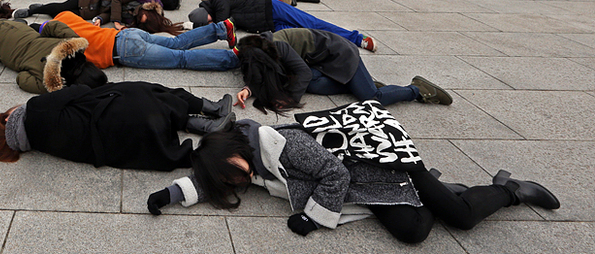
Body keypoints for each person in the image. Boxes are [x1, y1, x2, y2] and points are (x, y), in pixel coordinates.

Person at [146, 108, 559, 244]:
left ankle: (509, 190)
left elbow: (335, 173)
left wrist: (310, 217)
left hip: (385, 166)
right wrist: (168, 195)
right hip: (365, 183)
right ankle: (433, 188)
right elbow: (211, 180)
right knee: (413, 232)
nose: (233, 182)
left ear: (235, 153)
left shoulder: (283, 146)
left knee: (460, 217)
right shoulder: (245, 163)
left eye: (230, 173)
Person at [0, 82, 238, 170]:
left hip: (125, 140)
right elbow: (79, 90)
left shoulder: (39, 145)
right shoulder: (34, 108)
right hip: (124, 113)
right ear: (8, 120)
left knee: (147, 109)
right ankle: (210, 111)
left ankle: (208, 128)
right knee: (144, 90)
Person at [0, 11, 239, 93]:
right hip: (125, 33)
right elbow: (58, 24)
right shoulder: (66, 20)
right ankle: (218, 29)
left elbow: (27, 80)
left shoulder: (61, 59)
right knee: (176, 44)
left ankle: (231, 59)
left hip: (123, 51)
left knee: (180, 60)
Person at [232, 29, 450, 112]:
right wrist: (248, 91)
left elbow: (303, 74)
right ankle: (361, 82)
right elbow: (260, 73)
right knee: (315, 86)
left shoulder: (278, 46)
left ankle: (417, 90)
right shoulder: (257, 50)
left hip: (340, 55)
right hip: (319, 62)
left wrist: (290, 99)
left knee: (370, 97)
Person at [188, 0, 375, 51]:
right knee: (310, 37)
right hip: (269, 25)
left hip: (272, 7)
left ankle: (357, 38)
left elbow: (223, 22)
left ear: (206, 12)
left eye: (208, 20)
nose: (211, 21)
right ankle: (340, 43)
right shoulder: (215, 13)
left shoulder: (219, 1)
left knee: (312, 23)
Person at [13, 0, 169, 30]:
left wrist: (101, 18)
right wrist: (116, 22)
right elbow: (117, 0)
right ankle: (34, 9)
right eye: (143, 16)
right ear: (149, 11)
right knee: (61, 8)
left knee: (67, 16)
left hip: (99, 7)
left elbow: (111, 12)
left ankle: (42, 10)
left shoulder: (135, 17)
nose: (138, 17)